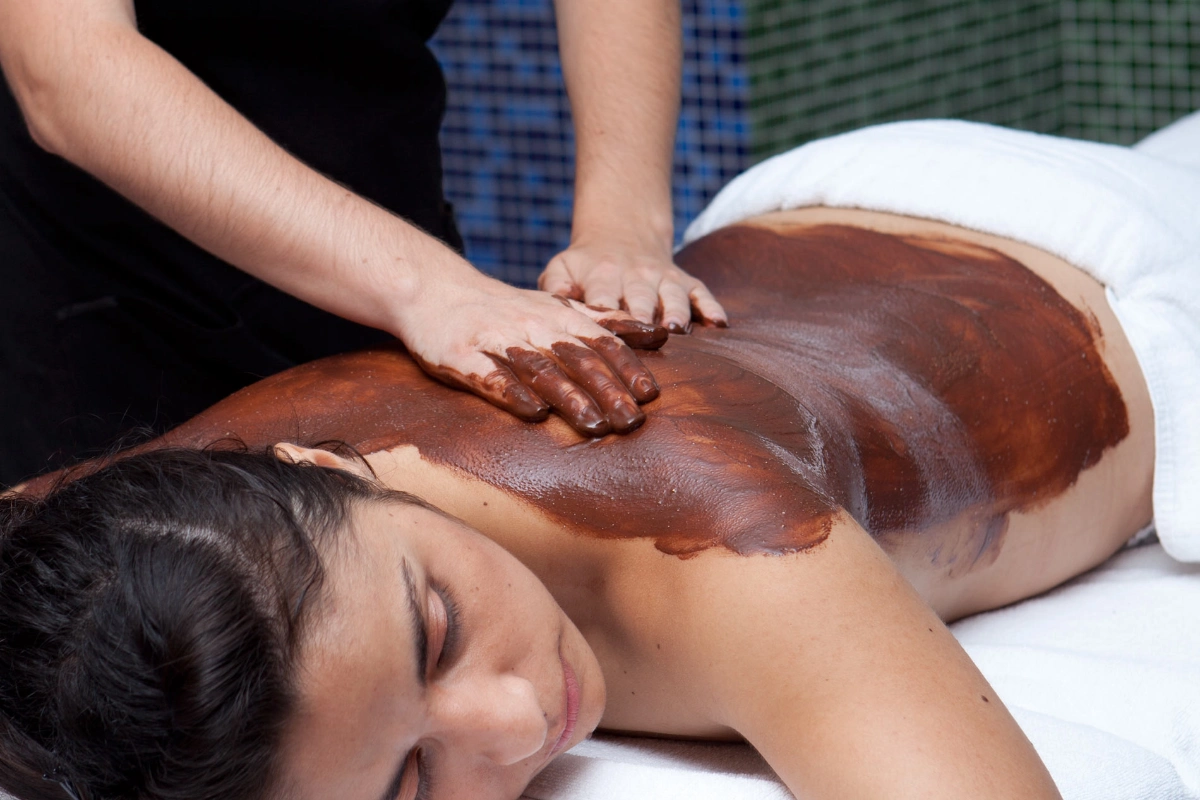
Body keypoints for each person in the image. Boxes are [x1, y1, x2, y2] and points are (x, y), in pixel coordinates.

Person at [3, 118, 1197, 800]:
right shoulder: (171, 537)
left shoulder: (711, 538)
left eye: (437, 630)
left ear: (334, 463)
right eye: (411, 786)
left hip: (1119, 285)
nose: (518, 721)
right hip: (785, 241)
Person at [0, 0, 727, 488]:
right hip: (106, 284)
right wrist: (432, 288)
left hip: (392, 227)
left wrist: (622, 223)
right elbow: (67, 64)